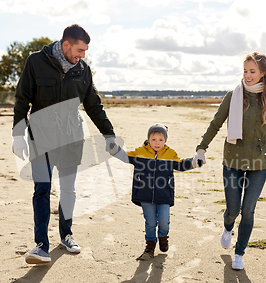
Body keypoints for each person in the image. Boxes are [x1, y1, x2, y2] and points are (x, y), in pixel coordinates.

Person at [12, 24, 119, 264]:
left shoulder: (83, 70)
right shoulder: (36, 62)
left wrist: (109, 134)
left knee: (68, 190)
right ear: (66, 44)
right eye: (80, 50)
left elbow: (93, 105)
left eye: (85, 51)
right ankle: (41, 245)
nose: (83, 55)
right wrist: (17, 134)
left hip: (72, 139)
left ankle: (66, 234)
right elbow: (22, 99)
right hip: (41, 139)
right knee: (42, 189)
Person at [193, 52, 266, 270]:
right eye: (245, 71)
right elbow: (216, 123)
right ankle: (228, 227)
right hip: (232, 160)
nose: (248, 76)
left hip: (259, 163)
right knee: (233, 209)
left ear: (263, 73)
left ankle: (239, 253)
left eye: (252, 71)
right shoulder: (233, 96)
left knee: (248, 210)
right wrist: (201, 149)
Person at [113, 123, 201, 260]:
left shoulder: (170, 154)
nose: (157, 143)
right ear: (148, 139)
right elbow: (125, 156)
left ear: (165, 140)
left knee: (164, 221)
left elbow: (181, 164)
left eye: (161, 139)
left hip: (164, 194)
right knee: (150, 222)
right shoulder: (140, 152)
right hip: (145, 194)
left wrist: (195, 162)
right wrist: (114, 150)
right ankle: (149, 246)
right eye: (153, 139)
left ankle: (163, 237)